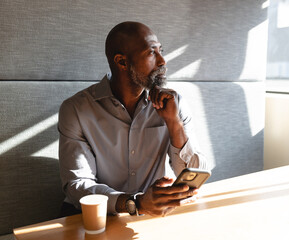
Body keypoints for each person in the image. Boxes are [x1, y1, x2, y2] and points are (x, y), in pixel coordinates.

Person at [58, 21, 211, 217]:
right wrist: (134, 203)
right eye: (151, 53)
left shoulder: (174, 103)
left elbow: (196, 175)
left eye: (161, 50)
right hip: (95, 217)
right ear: (122, 62)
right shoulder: (76, 110)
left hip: (150, 217)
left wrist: (174, 124)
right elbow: (77, 185)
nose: (162, 61)